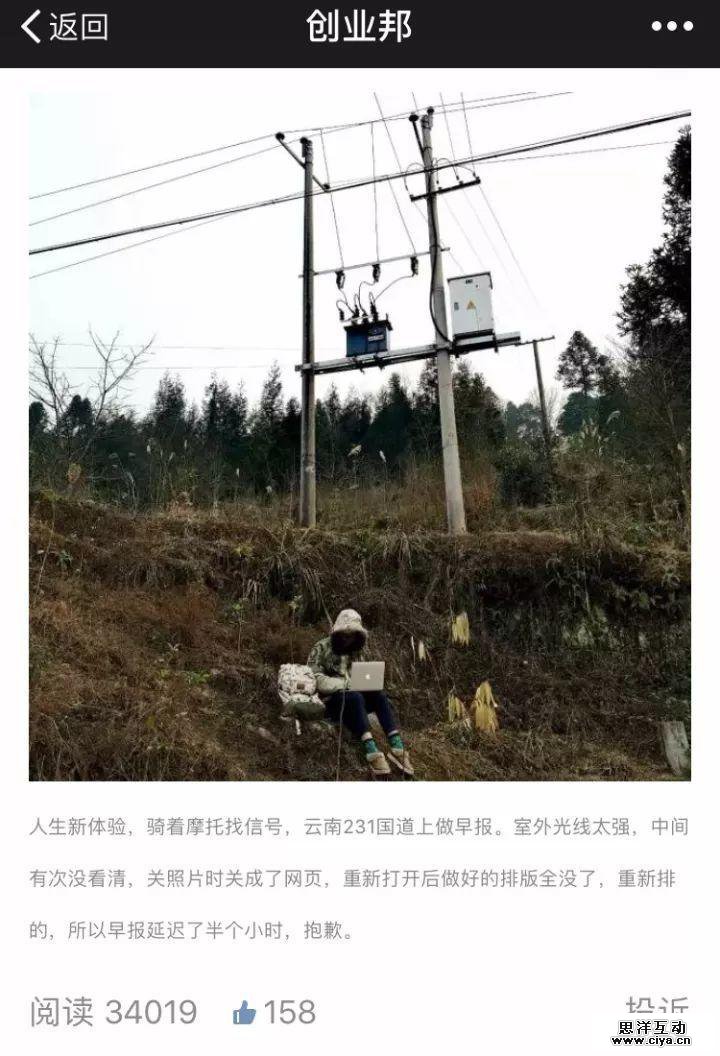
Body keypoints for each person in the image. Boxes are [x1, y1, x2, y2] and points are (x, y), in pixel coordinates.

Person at [308, 608, 414, 777]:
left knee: (378, 695)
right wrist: (345, 684)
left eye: (352, 636)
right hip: (330, 702)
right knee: (355, 697)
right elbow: (314, 678)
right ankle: (371, 750)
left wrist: (367, 683)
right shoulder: (321, 647)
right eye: (345, 635)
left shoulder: (357, 651)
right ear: (338, 632)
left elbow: (363, 676)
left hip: (355, 702)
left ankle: (397, 748)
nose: (348, 639)